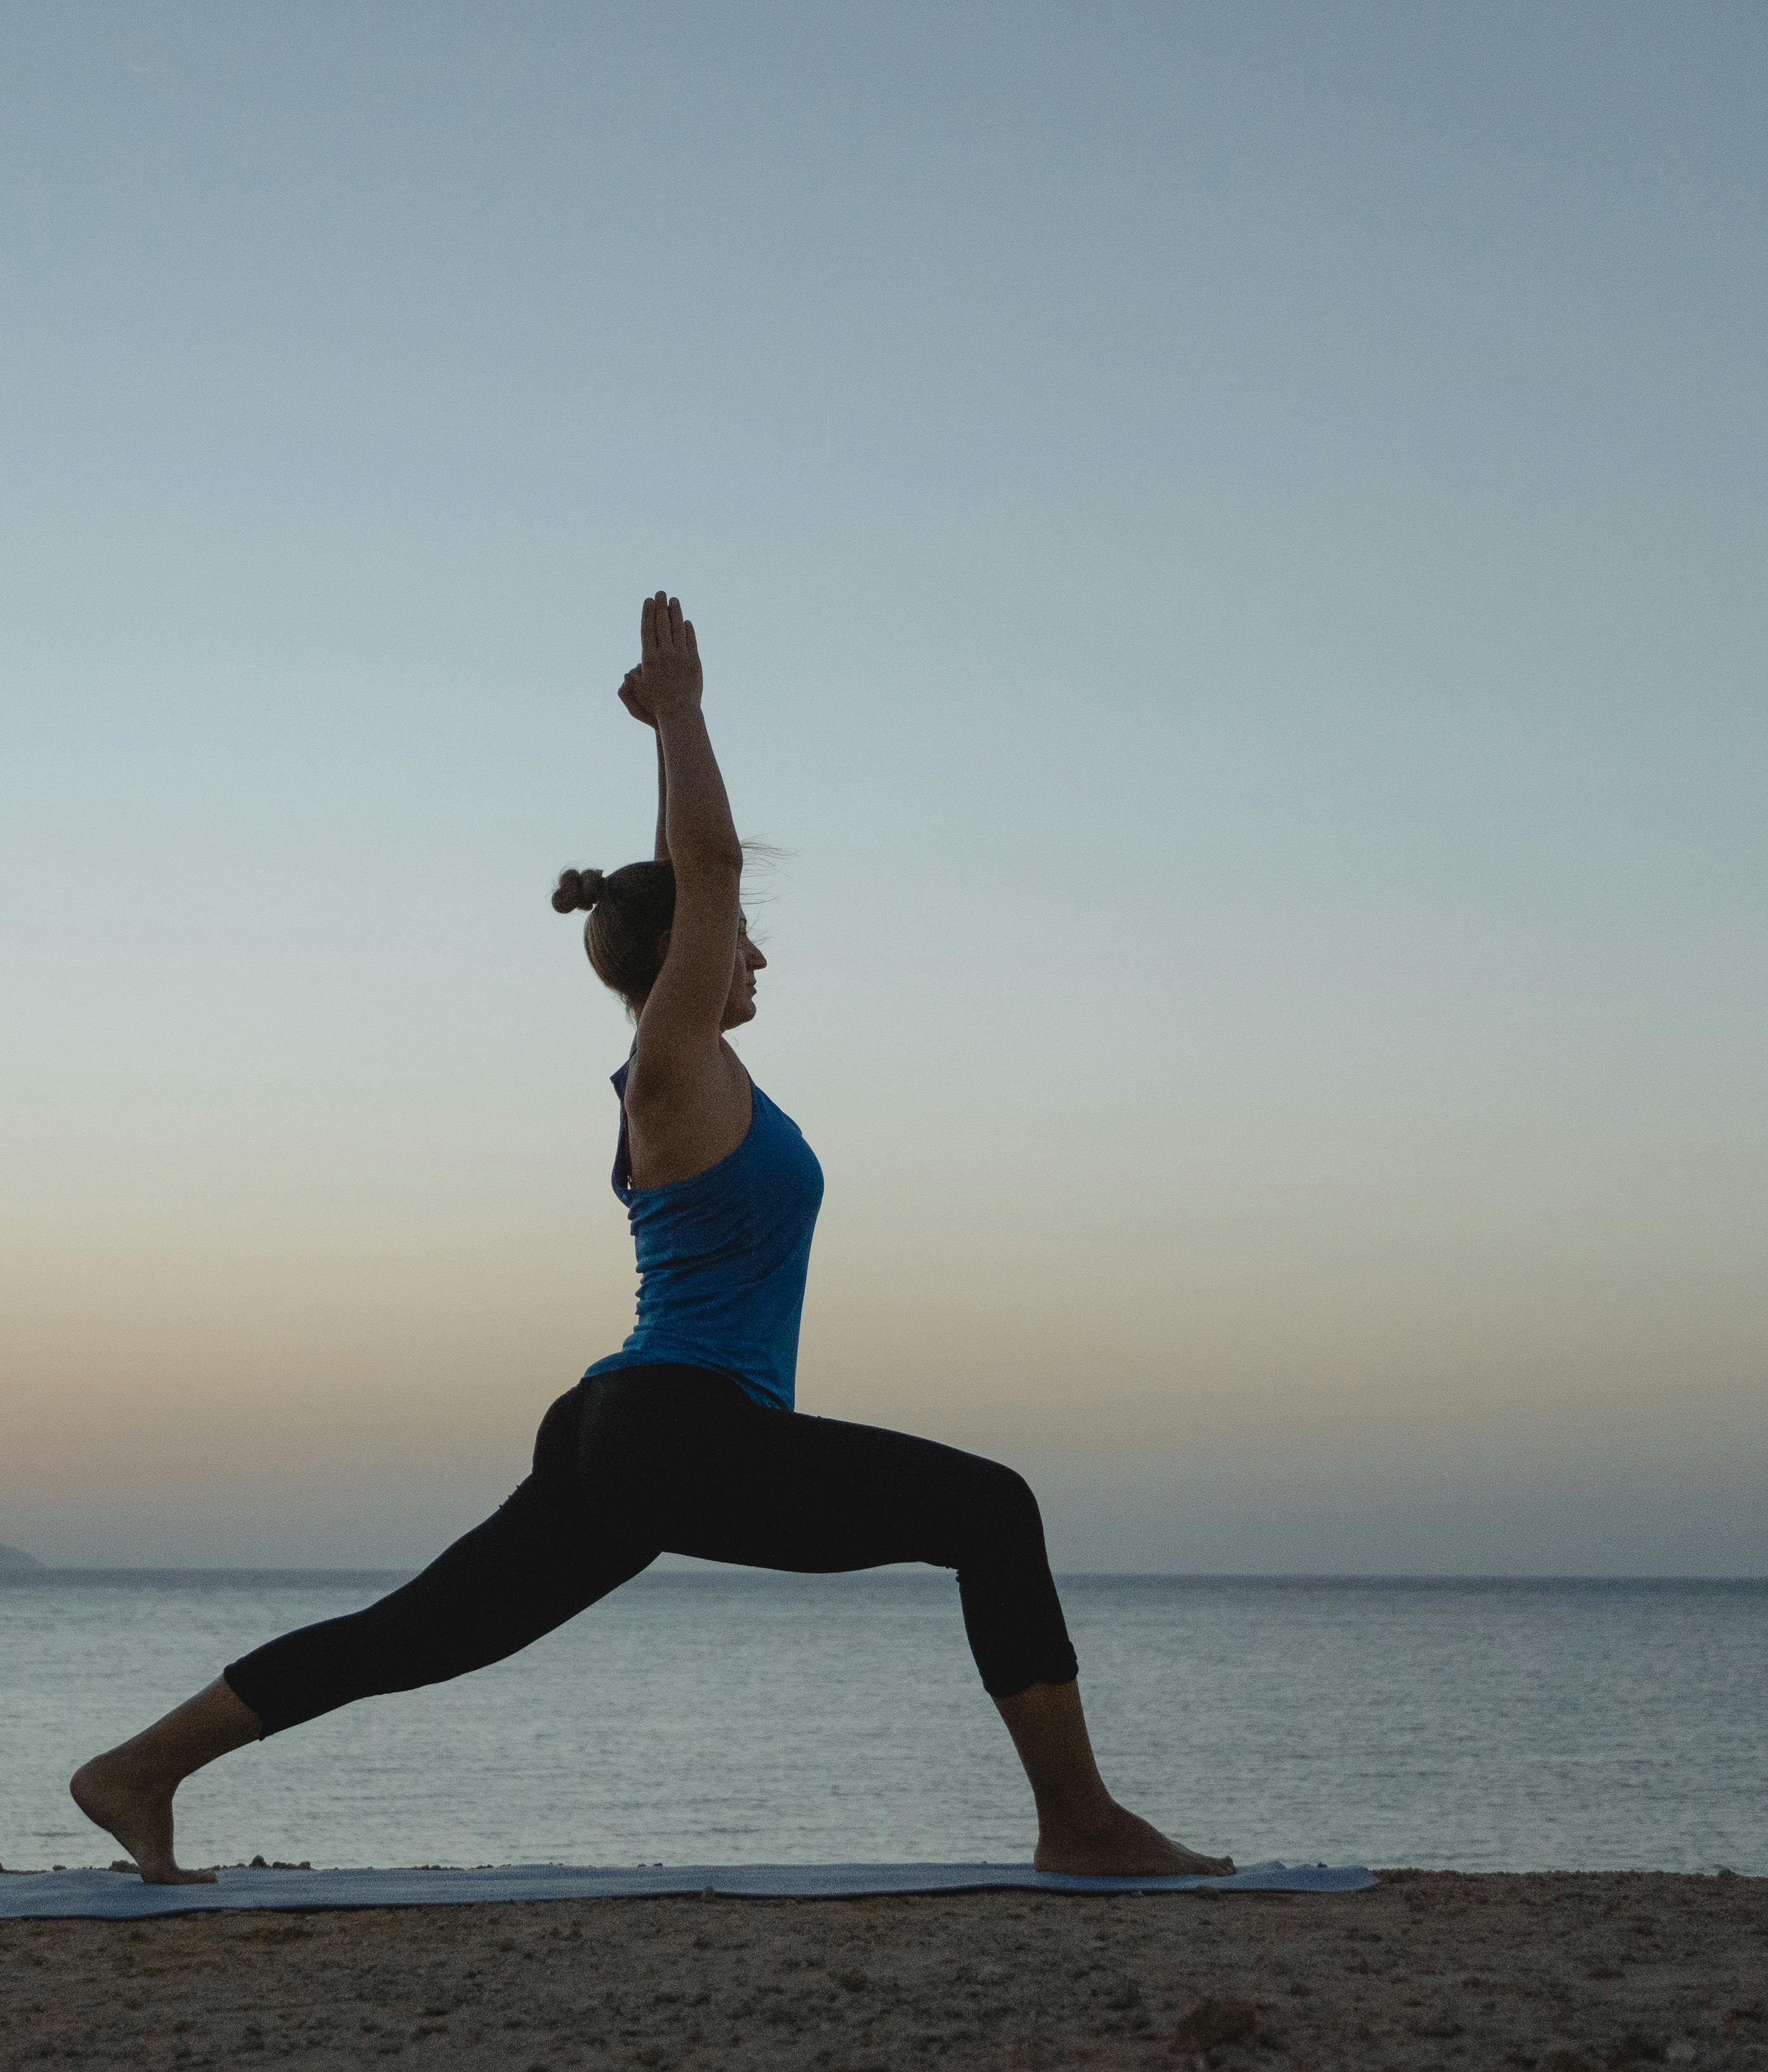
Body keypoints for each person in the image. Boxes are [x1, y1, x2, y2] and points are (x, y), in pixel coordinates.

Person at [71, 592, 1230, 1883]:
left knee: (421, 1633)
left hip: (627, 1429)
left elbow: (683, 890)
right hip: (680, 1426)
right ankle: (1078, 1826)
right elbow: (709, 879)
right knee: (992, 1511)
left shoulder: (689, 1071)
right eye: (740, 949)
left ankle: (135, 1771)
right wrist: (680, 711)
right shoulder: (670, 1063)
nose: (758, 964)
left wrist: (660, 763)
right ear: (691, 957)